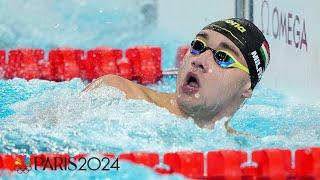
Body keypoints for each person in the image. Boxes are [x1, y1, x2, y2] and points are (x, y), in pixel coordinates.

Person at [83, 18, 270, 131]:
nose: (198, 60)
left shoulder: (243, 150)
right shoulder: (118, 94)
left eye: (223, 57)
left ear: (247, 87)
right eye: (198, 46)